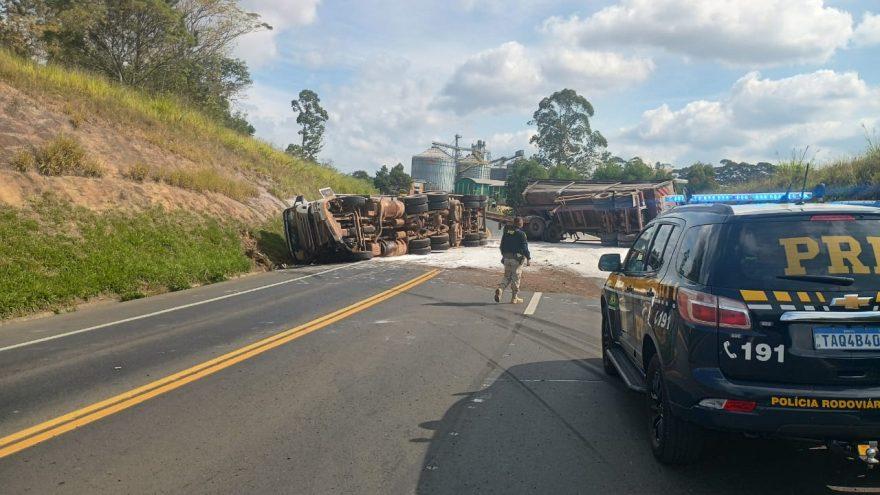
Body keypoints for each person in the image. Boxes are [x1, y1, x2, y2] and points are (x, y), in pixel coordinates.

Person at [495, 217, 531, 304]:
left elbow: (502, 245)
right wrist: (528, 258)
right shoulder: (522, 234)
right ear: (520, 224)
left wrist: (504, 256)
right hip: (516, 260)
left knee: (507, 276)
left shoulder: (507, 232)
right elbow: (525, 248)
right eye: (522, 222)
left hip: (507, 258)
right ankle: (514, 298)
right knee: (516, 278)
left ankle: (501, 289)